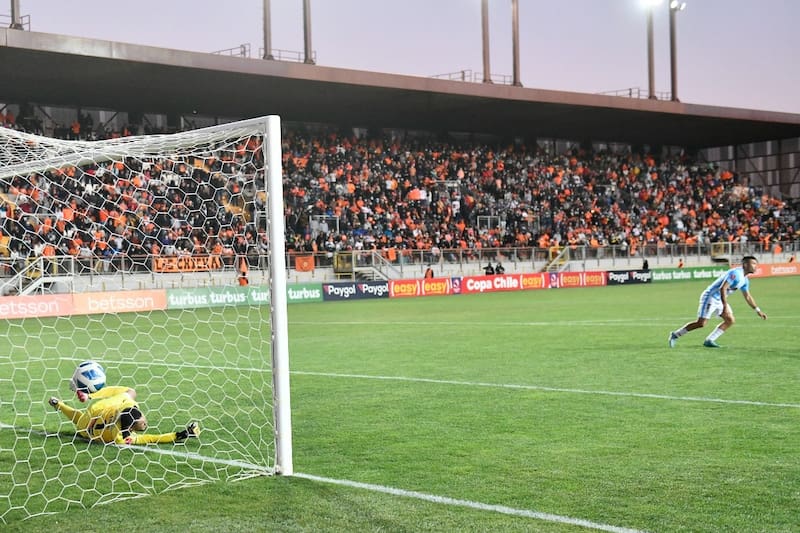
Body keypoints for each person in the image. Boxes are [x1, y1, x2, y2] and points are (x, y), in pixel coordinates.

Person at [668, 256, 767, 348]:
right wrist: (725, 306)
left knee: (730, 320)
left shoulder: (745, 280)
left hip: (720, 299)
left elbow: (748, 296)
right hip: (710, 297)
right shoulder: (735, 274)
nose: (755, 266)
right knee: (701, 323)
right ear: (745, 264)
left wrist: (758, 310)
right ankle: (675, 334)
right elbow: (722, 288)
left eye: (756, 264)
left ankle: (709, 340)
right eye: (753, 263)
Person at [48, 386, 199, 445]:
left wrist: (91, 396)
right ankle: (60, 404)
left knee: (130, 392)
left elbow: (126, 395)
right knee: (80, 421)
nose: (145, 424)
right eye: (143, 423)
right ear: (131, 427)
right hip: (89, 428)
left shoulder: (127, 402)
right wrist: (182, 434)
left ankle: (59, 404)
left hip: (98, 413)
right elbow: (152, 438)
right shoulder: (121, 437)